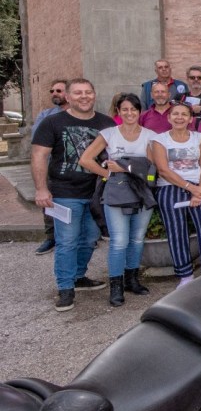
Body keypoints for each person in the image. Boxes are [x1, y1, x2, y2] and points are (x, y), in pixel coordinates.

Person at [32, 79, 117, 311]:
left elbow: (114, 154)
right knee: (67, 241)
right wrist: (41, 188)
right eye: (78, 93)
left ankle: (79, 276)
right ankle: (65, 287)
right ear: (68, 97)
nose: (84, 96)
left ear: (94, 95)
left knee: (89, 238)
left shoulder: (106, 123)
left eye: (88, 92)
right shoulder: (52, 122)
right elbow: (39, 156)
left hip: (96, 193)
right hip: (64, 192)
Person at [77, 93, 156, 306]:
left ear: (140, 112)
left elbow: (151, 165)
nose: (130, 113)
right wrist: (108, 174)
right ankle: (116, 285)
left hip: (141, 190)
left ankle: (132, 279)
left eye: (134, 109)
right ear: (118, 112)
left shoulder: (149, 135)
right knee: (119, 241)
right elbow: (85, 159)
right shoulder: (109, 134)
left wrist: (122, 165)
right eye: (125, 109)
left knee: (137, 238)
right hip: (116, 191)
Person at [150, 101, 201, 287]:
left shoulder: (198, 137)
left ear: (190, 119)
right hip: (170, 186)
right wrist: (190, 189)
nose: (179, 117)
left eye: (184, 114)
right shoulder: (160, 139)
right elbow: (163, 170)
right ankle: (185, 275)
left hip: (199, 185)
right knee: (176, 230)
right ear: (169, 117)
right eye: (175, 114)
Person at [31, 79, 70, 255]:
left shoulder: (81, 114)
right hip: (51, 167)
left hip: (75, 167)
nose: (54, 93)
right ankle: (51, 237)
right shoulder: (45, 116)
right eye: (52, 91)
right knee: (49, 203)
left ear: (68, 94)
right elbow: (38, 145)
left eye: (59, 91)